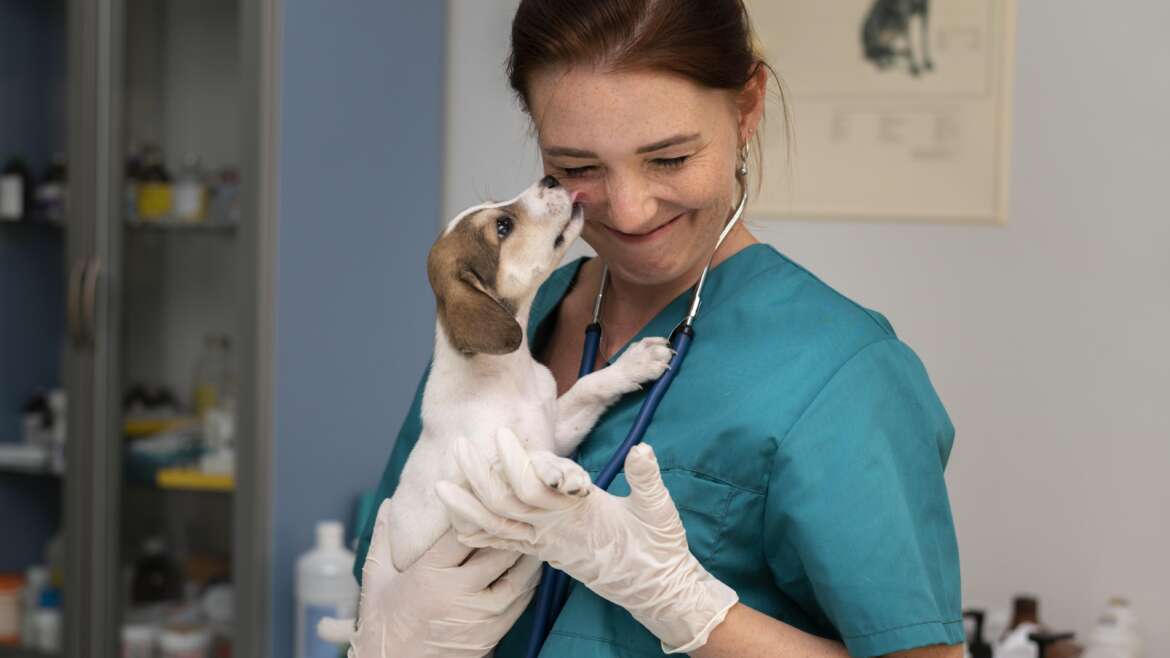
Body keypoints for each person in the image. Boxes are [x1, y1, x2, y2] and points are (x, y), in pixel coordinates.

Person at [354, 1, 964, 656]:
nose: (630, 209)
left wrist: (684, 605)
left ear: (746, 107)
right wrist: (388, 640)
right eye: (579, 167)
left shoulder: (843, 375)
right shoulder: (503, 328)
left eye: (669, 159)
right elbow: (394, 549)